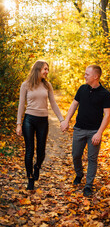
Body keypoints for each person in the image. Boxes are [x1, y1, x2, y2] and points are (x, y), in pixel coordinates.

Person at [61, 65, 110, 197]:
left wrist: (99, 133)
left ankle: (88, 186)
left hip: (94, 132)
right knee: (76, 155)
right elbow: (74, 105)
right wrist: (66, 120)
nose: (85, 76)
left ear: (96, 76)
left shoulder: (105, 94)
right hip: (79, 129)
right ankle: (79, 174)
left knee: (92, 159)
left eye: (87, 74)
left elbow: (107, 115)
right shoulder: (82, 89)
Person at [16, 60, 64, 190]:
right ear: (37, 69)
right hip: (29, 120)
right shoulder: (25, 85)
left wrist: (61, 119)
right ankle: (30, 178)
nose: (47, 71)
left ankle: (37, 166)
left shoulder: (47, 85)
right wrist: (19, 123)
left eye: (47, 69)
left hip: (43, 120)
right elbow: (21, 105)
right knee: (29, 150)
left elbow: (53, 103)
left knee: (41, 151)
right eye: (45, 69)